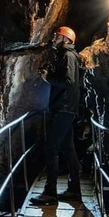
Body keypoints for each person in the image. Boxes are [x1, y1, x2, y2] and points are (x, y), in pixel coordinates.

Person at [32, 25, 83, 206]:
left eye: (57, 36)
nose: (54, 39)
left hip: (63, 108)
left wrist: (48, 78)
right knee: (68, 149)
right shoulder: (65, 56)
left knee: (51, 148)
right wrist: (51, 73)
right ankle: (74, 190)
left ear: (66, 40)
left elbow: (69, 82)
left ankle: (50, 193)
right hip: (65, 108)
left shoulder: (69, 56)